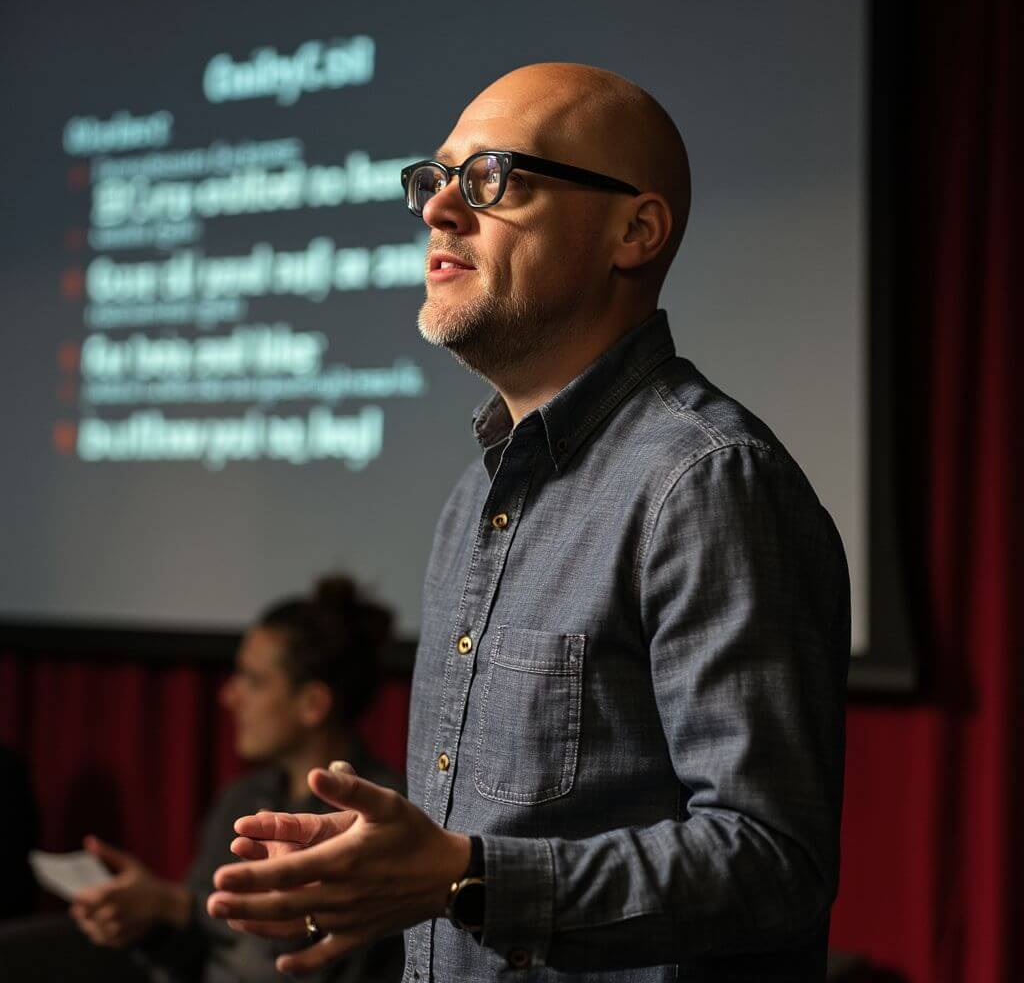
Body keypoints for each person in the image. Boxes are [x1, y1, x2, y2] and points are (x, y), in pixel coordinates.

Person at [206, 63, 851, 983]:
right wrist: (390, 887)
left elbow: (772, 864)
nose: (438, 210)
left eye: (491, 179)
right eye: (433, 180)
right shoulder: (475, 498)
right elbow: (492, 849)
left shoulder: (707, 483)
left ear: (635, 230)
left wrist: (465, 882)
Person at [0, 575, 404, 983]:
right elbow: (192, 958)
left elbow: (295, 963)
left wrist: (171, 906)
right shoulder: (242, 797)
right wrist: (146, 921)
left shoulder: (377, 811)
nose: (229, 696)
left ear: (313, 704)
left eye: (254, 680)